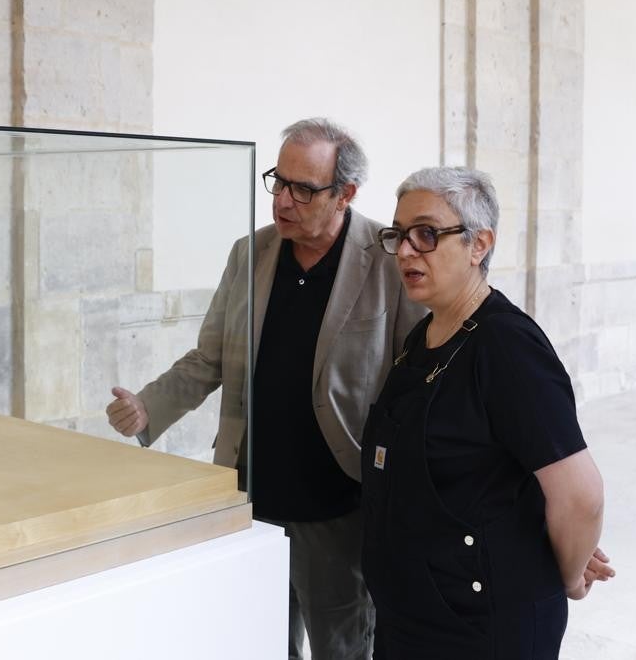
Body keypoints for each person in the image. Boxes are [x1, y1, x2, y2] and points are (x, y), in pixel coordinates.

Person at [107, 118, 424, 660]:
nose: (283, 200)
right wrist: (147, 406)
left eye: (304, 188)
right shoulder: (248, 253)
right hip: (250, 497)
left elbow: (412, 379)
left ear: (345, 194)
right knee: (256, 638)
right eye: (278, 181)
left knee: (340, 646)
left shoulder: (388, 260)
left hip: (337, 507)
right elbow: (210, 357)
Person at [362, 166, 615, 658]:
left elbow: (581, 495)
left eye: (427, 234)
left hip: (481, 627)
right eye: (399, 234)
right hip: (412, 619)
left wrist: (563, 575)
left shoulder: (506, 345)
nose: (407, 250)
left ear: (479, 245)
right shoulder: (425, 334)